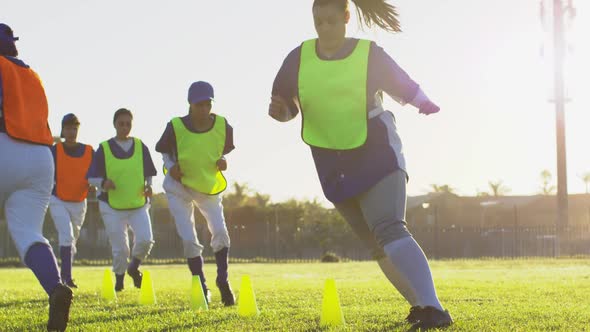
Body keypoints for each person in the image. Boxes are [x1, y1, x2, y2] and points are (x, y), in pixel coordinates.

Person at [267, 0, 453, 329]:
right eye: (318, 22)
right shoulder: (299, 58)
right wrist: (279, 112)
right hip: (331, 162)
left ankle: (436, 309)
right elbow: (287, 107)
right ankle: (421, 307)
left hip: (376, 151)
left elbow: (402, 83)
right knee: (375, 244)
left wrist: (424, 102)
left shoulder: (368, 54)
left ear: (346, 18)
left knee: (390, 228)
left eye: (331, 21)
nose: (325, 29)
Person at [0, 23, 73, 331]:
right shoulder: (31, 74)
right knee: (30, 233)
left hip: (5, 147)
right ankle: (55, 287)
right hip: (41, 158)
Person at [155, 81, 236, 306]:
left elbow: (220, 151)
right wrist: (171, 166)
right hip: (178, 187)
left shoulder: (223, 125)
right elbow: (164, 153)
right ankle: (201, 284)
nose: (204, 109)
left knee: (220, 232)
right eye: (199, 104)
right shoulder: (175, 126)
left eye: (207, 104)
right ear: (190, 104)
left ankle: (223, 281)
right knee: (189, 239)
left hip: (208, 185)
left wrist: (223, 161)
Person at [87, 108, 156, 292]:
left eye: (128, 123)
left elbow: (149, 173)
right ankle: (119, 281)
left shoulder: (141, 146)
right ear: (115, 124)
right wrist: (103, 182)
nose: (125, 127)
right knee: (121, 249)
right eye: (121, 123)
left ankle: (133, 267)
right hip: (111, 206)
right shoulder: (104, 148)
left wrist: (149, 186)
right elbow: (91, 178)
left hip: (138, 204)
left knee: (146, 240)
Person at [49, 113, 94, 288]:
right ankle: (66, 278)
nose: (71, 131)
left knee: (72, 240)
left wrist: (95, 183)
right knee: (66, 235)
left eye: (75, 128)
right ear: (62, 129)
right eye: (68, 128)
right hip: (58, 199)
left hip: (79, 201)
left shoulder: (89, 151)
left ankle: (66, 273)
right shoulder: (55, 150)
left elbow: (97, 172)